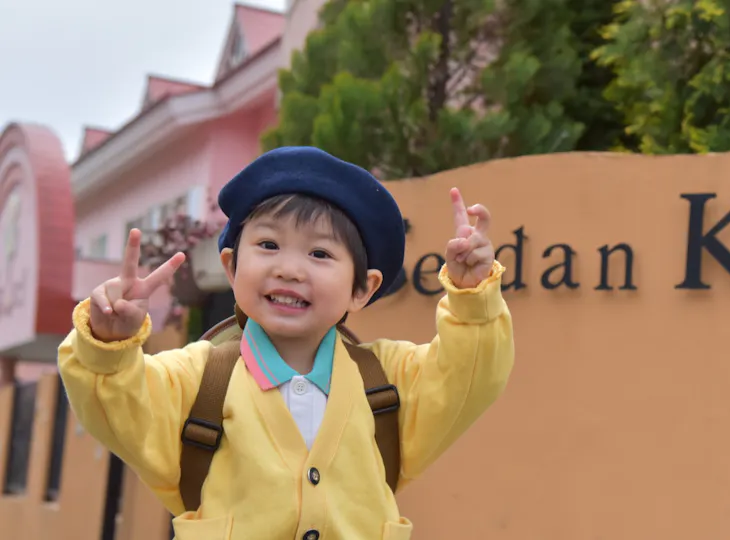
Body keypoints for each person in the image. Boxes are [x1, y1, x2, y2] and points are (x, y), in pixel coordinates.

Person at [58, 146, 515, 540]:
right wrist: (107, 344)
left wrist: (473, 295)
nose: (290, 269)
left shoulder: (389, 383)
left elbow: (470, 371)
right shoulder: (195, 380)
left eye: (319, 253)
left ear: (363, 288)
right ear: (232, 267)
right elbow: (114, 405)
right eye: (269, 245)